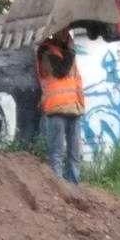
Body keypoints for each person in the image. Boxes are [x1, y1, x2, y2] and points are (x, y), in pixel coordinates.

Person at [36, 28, 85, 184]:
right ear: (54, 32)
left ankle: (74, 188)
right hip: (56, 109)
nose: (65, 34)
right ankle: (59, 190)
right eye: (61, 31)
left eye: (66, 31)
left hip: (74, 108)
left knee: (74, 153)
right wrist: (71, 50)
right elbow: (60, 71)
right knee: (56, 153)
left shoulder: (67, 51)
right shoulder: (45, 51)